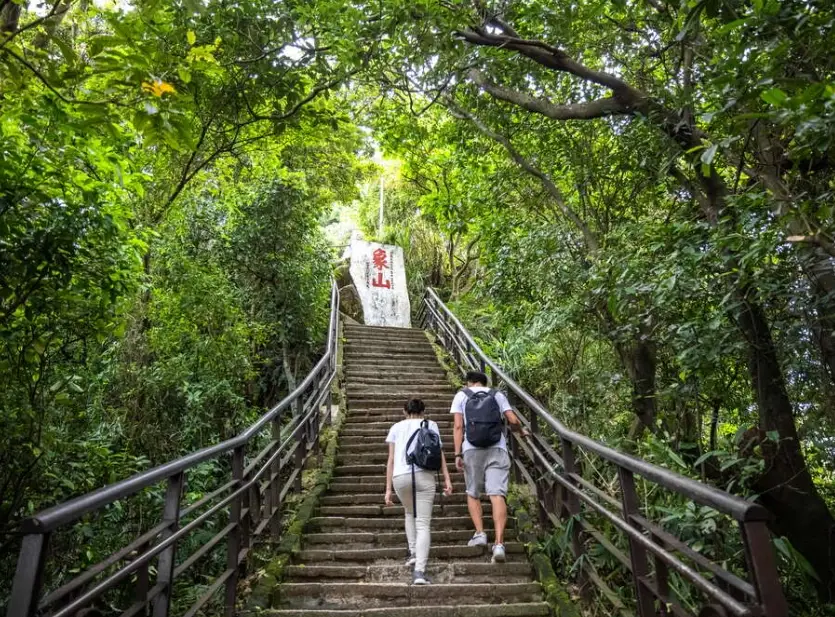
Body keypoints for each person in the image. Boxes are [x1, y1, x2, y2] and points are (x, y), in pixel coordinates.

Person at [451, 370, 530, 563]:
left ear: (469, 382)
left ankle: (480, 533)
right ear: (484, 382)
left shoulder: (462, 395)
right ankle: (499, 543)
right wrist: (521, 432)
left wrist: (457, 453)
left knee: (473, 492)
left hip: (472, 449)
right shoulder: (497, 394)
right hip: (497, 448)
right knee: (497, 494)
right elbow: (512, 419)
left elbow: (458, 426)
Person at [385, 398, 453, 585]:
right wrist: (447, 478)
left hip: (400, 477)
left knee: (409, 512)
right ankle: (419, 573)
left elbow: (390, 460)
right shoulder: (431, 425)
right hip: (425, 476)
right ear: (423, 411)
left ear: (404, 411)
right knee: (423, 523)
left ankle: (413, 552)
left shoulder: (396, 428)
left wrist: (388, 489)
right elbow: (439, 454)